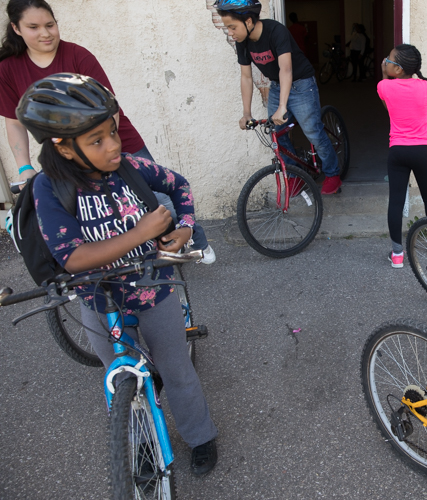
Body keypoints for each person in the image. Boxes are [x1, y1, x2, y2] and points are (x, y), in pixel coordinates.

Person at [16, 73, 219, 476]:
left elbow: (179, 186)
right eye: (97, 140)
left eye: (113, 132)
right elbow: (74, 257)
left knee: (177, 371)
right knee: (119, 380)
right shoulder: (48, 187)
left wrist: (183, 228)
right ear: (63, 147)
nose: (113, 146)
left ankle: (200, 437)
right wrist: (140, 232)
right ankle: (140, 441)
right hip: (98, 301)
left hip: (154, 290)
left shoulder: (128, 168)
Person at [0, 0, 216, 263]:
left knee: (157, 198)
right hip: (77, 155)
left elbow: (109, 108)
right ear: (16, 28)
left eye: (50, 24)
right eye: (34, 27)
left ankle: (195, 241)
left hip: (120, 141)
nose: (45, 33)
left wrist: (105, 144)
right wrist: (24, 168)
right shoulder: (9, 68)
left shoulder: (78, 55)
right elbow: (13, 122)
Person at [215, 0, 343, 195]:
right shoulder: (243, 42)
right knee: (276, 133)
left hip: (301, 84)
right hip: (276, 85)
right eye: (227, 28)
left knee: (313, 132)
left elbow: (286, 69)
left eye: (232, 27)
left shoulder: (276, 31)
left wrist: (282, 106)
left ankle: (333, 174)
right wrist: (246, 113)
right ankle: (294, 175)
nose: (230, 33)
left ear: (248, 21)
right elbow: (246, 77)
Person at [377, 44, 427, 268]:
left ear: (398, 69)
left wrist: (383, 74)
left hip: (398, 151)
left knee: (395, 201)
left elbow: (388, 108)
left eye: (389, 59)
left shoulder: (383, 86)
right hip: (422, 151)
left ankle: (397, 254)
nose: (386, 61)